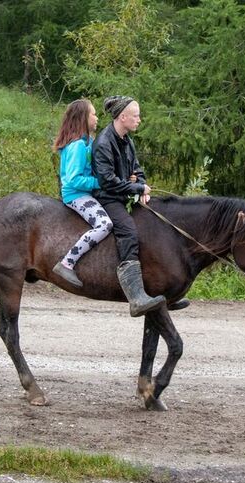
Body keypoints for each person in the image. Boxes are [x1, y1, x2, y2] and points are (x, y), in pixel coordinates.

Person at [92, 95, 167, 317]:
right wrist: (135, 188)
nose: (139, 120)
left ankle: (163, 288)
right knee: (128, 231)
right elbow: (107, 181)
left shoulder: (127, 140)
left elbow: (137, 169)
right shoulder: (104, 142)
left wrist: (140, 183)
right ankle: (135, 296)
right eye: (136, 116)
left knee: (154, 223)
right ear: (123, 117)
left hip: (122, 194)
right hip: (107, 198)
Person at [51, 99, 113, 288]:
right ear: (82, 119)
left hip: (85, 192)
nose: (96, 118)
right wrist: (101, 183)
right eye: (93, 114)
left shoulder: (88, 142)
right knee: (104, 224)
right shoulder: (77, 145)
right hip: (76, 195)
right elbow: (73, 179)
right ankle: (67, 262)